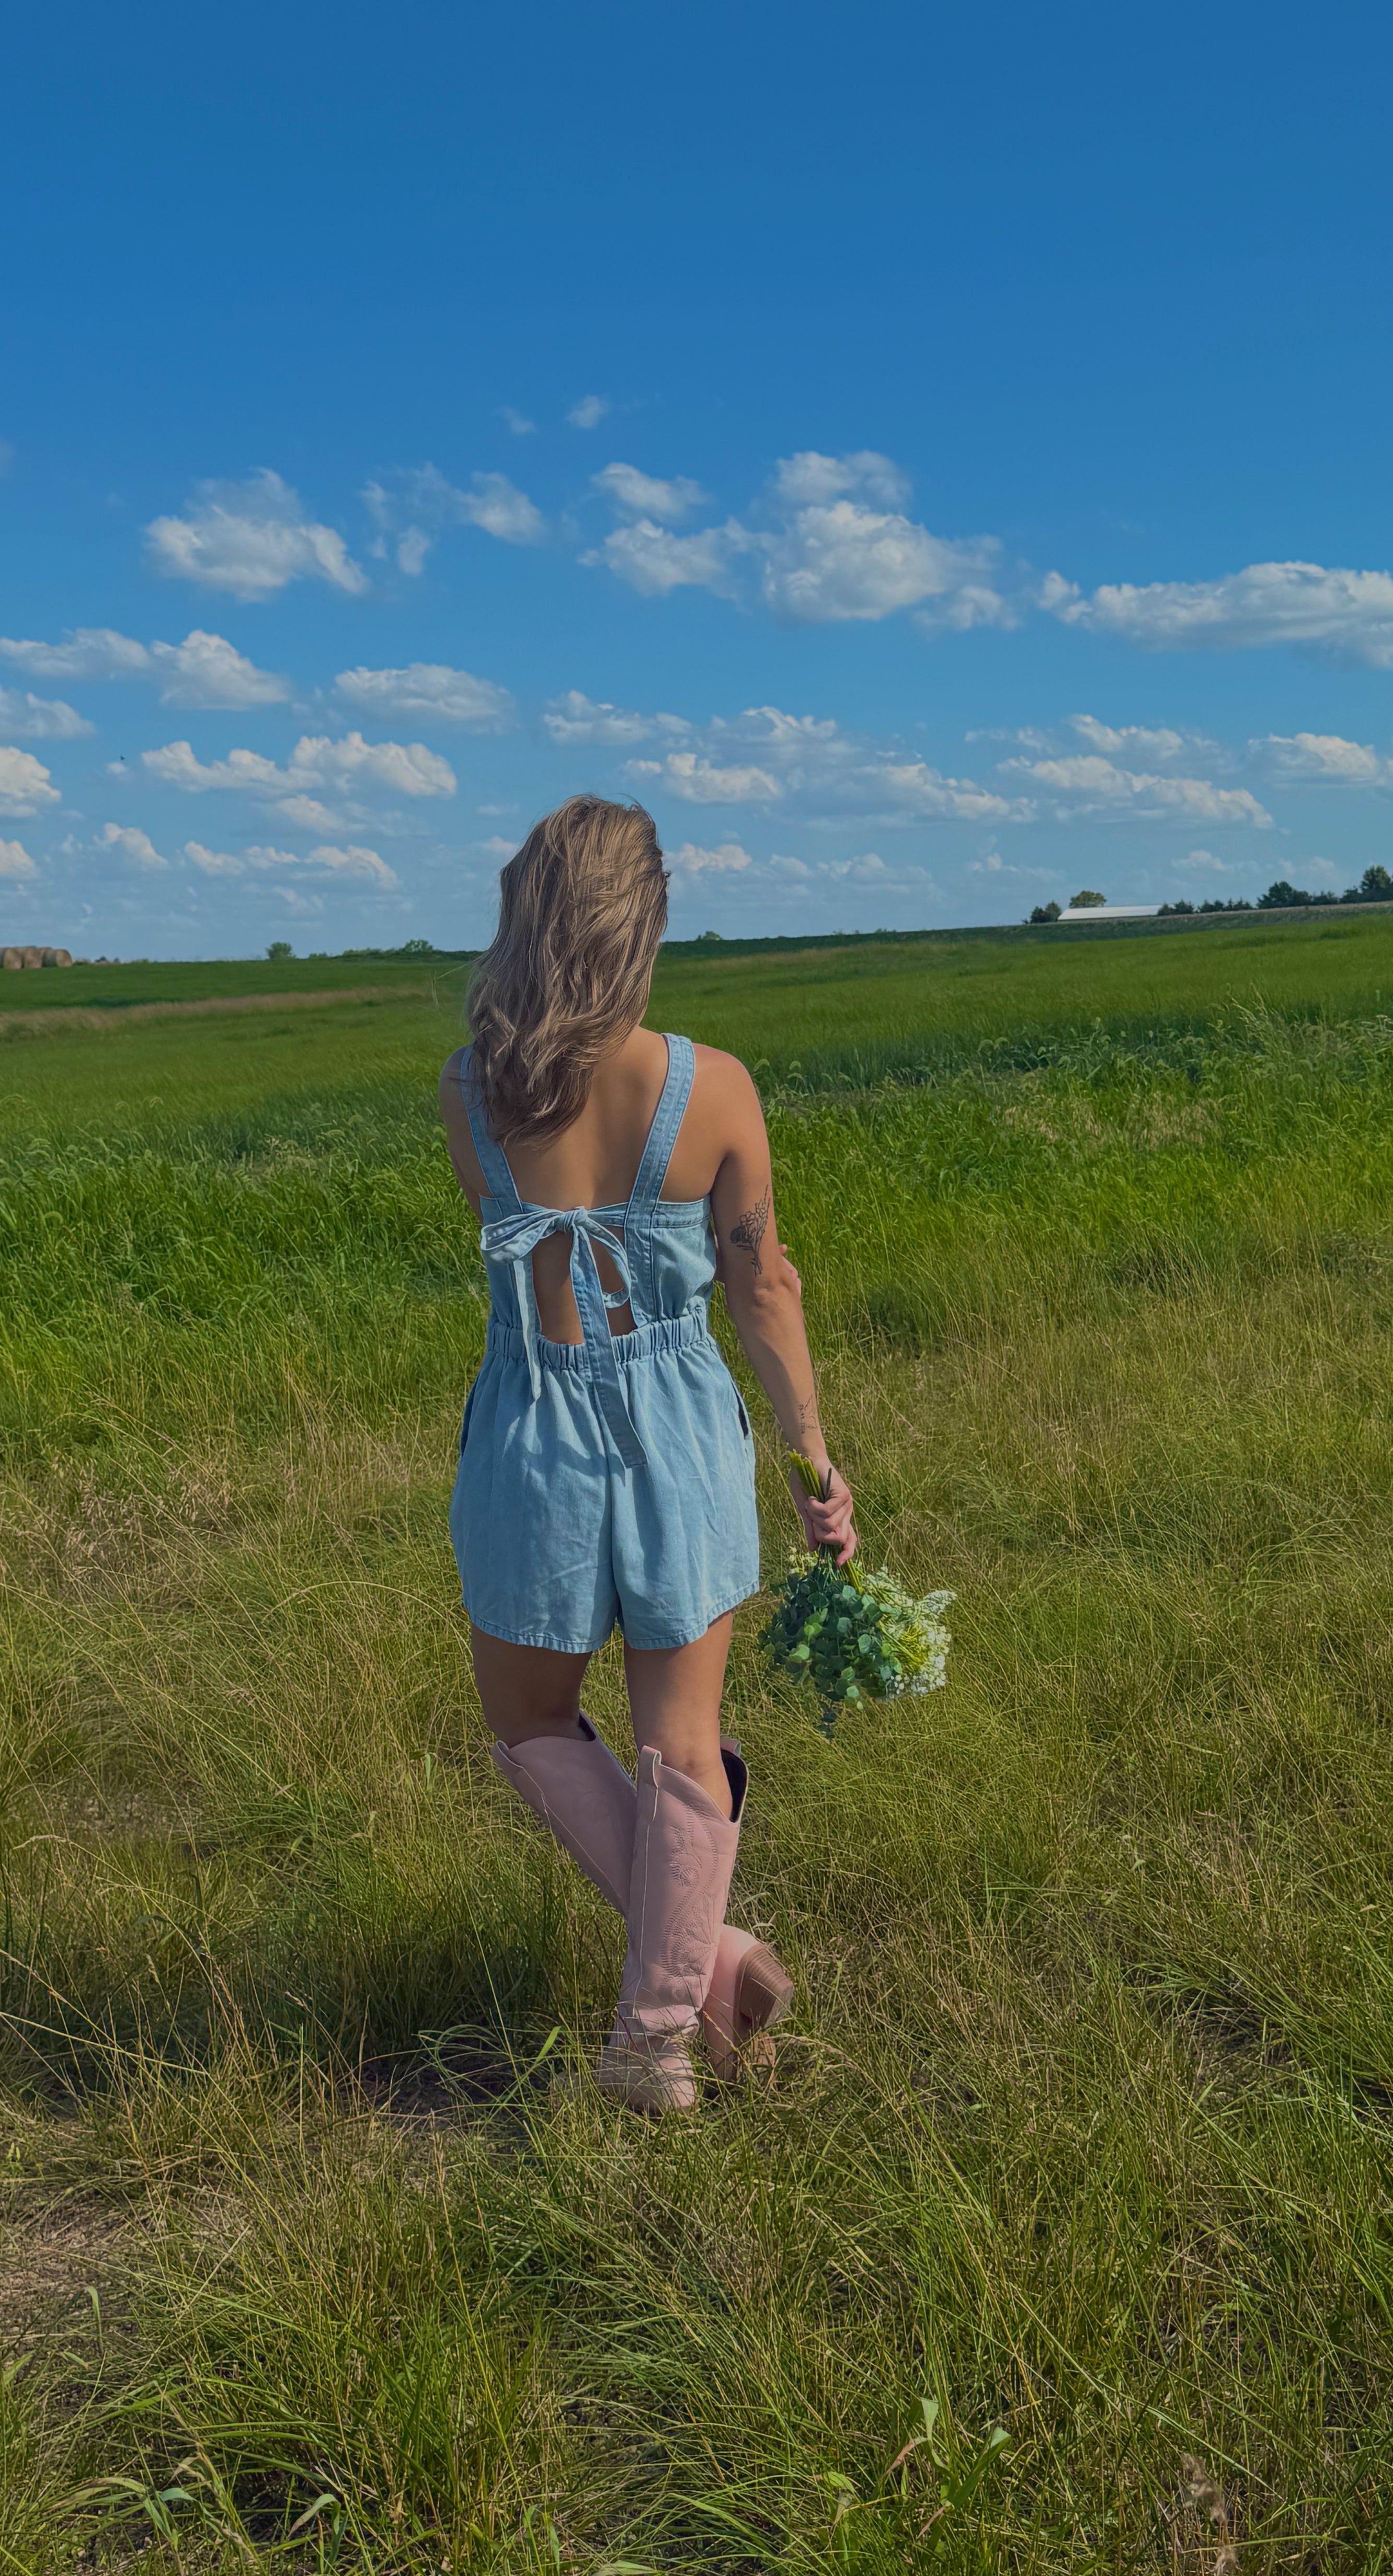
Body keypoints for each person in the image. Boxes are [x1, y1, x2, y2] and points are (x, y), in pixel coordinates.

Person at [441, 795, 857, 2113]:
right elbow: (765, 1288)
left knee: (526, 1718)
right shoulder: (711, 1085)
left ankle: (676, 2014)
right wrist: (813, 1465)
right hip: (678, 1430)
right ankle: (670, 2023)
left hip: (531, 1433)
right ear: (645, 925)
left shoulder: (468, 1089)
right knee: (683, 1744)